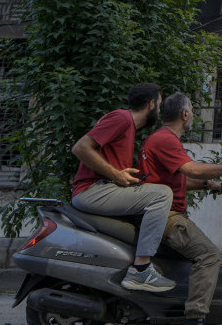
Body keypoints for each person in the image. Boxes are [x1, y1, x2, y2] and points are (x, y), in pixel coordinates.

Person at [140, 92, 222, 325]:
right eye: (191, 110)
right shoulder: (165, 139)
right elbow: (192, 169)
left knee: (188, 265)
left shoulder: (162, 138)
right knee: (208, 255)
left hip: (166, 213)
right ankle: (194, 321)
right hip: (167, 216)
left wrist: (212, 185)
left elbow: (177, 180)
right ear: (184, 114)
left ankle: (178, 320)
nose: (192, 114)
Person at [70, 82, 175, 293]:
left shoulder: (128, 127)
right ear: (151, 104)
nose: (161, 110)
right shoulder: (121, 118)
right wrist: (116, 174)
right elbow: (80, 147)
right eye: (160, 104)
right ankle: (142, 270)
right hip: (92, 190)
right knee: (163, 194)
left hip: (102, 189)